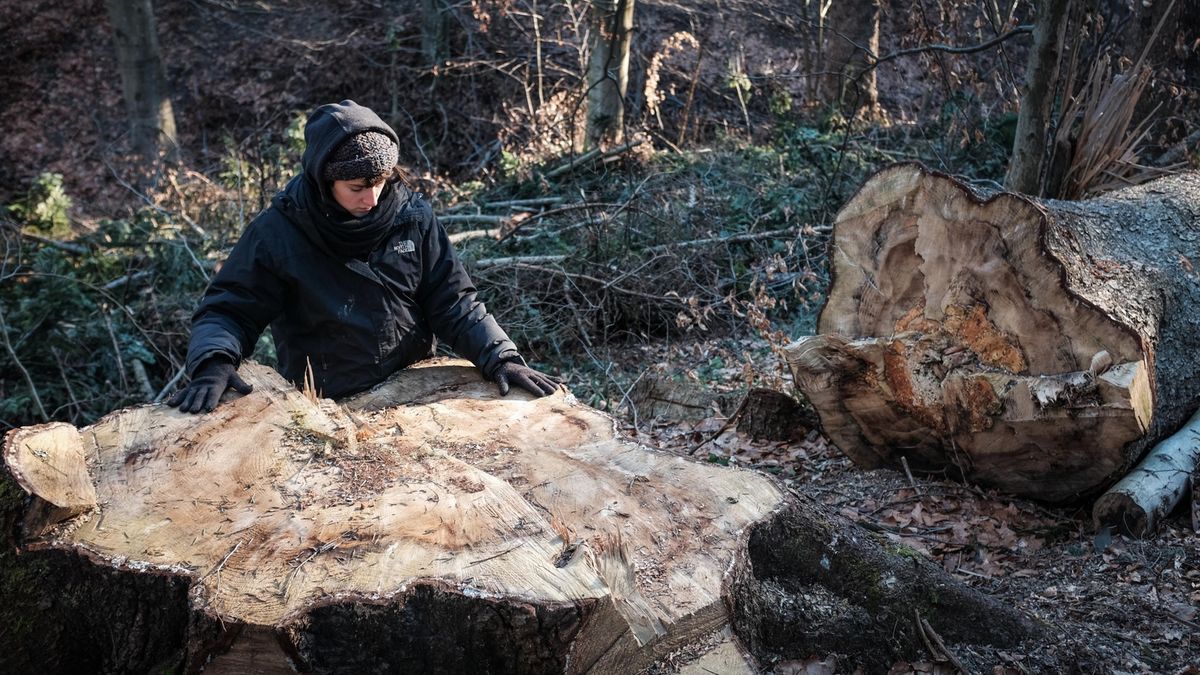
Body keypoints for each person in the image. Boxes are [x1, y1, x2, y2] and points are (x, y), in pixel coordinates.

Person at [168, 100, 562, 413]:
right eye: (357, 187)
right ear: (324, 179)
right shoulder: (279, 232)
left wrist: (500, 357)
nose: (371, 199)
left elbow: (453, 300)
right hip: (324, 402)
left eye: (380, 183)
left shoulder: (413, 217)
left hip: (415, 389)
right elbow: (230, 308)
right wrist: (214, 363)